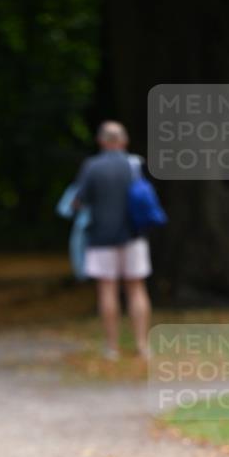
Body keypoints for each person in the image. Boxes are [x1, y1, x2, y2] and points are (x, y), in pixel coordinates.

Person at [74, 121, 152, 361]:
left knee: (107, 289)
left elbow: (79, 201)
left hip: (101, 237)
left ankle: (112, 347)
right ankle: (142, 345)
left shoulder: (92, 167)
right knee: (136, 288)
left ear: (101, 141)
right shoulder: (135, 165)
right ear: (124, 141)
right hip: (133, 235)